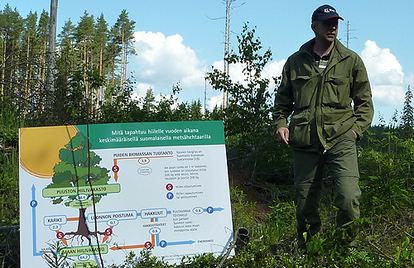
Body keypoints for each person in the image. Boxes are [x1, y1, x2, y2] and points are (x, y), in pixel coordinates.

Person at [273, 4, 374, 249]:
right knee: (305, 203)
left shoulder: (351, 61)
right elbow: (283, 101)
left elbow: (365, 103)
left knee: (349, 199)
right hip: (305, 139)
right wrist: (280, 124)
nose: (333, 27)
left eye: (335, 23)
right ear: (314, 26)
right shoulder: (295, 62)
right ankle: (310, 251)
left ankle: (342, 251)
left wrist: (354, 131)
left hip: (341, 137)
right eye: (327, 23)